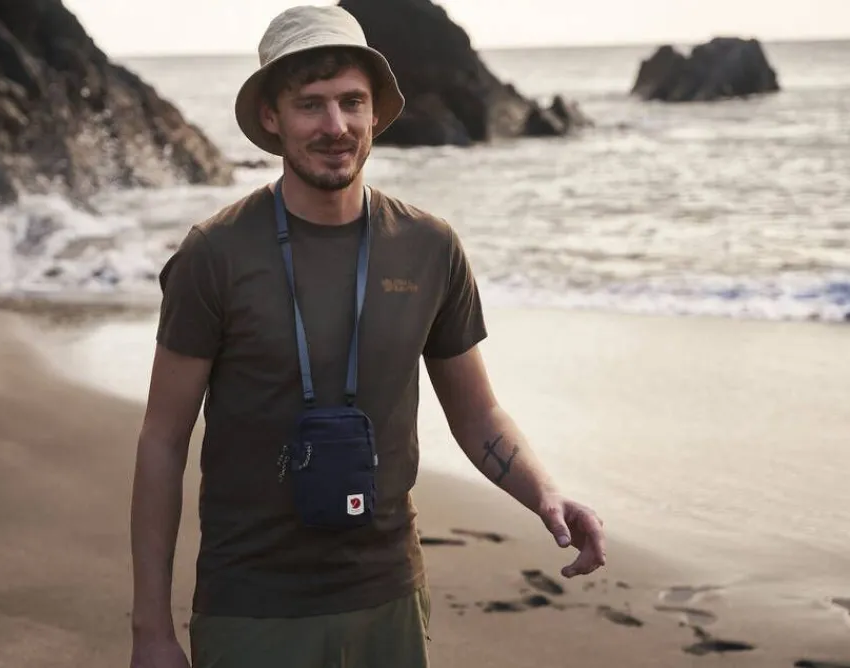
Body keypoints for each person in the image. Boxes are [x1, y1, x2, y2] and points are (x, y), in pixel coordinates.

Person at [128, 5, 606, 668]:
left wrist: (544, 493)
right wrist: (151, 630)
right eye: (311, 105)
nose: (336, 126)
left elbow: (478, 414)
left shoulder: (428, 246)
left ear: (375, 112)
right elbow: (162, 440)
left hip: (388, 595)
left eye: (352, 102)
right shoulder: (215, 254)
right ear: (272, 116)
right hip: (254, 605)